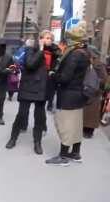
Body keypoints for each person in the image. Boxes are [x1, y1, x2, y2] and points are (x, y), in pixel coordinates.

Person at [45, 21, 90, 166]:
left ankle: (63, 156)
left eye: (69, 38)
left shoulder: (74, 54)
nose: (67, 41)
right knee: (76, 125)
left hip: (68, 95)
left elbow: (65, 77)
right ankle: (76, 153)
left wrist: (53, 75)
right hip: (79, 95)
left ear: (74, 40)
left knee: (64, 125)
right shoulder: (85, 52)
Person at [5, 31, 56, 155]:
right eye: (45, 38)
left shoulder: (54, 53)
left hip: (42, 89)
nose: (47, 40)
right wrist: (41, 50)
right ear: (40, 39)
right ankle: (13, 138)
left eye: (50, 38)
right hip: (28, 87)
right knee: (22, 114)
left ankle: (37, 143)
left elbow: (54, 68)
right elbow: (30, 64)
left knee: (39, 118)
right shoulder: (31, 49)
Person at [83, 46, 107, 138]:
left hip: (94, 91)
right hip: (88, 89)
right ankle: (85, 128)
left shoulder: (98, 64)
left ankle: (89, 131)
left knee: (92, 113)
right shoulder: (88, 62)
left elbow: (104, 78)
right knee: (86, 111)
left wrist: (95, 83)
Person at [44, 34, 62, 113]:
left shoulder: (55, 47)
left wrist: (51, 47)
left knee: (51, 89)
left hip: (50, 71)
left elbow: (59, 54)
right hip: (41, 71)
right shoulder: (40, 46)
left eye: (50, 38)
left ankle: (50, 104)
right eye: (47, 38)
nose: (48, 40)